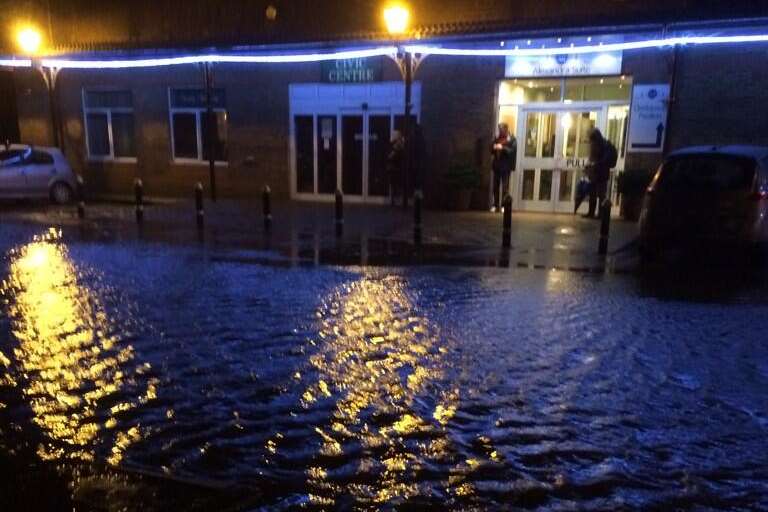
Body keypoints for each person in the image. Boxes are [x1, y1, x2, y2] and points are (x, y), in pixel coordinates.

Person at [584, 128, 617, 219]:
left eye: (592, 141)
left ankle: (601, 214)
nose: (591, 143)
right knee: (593, 193)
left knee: (601, 194)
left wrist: (595, 165)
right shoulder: (597, 144)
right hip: (595, 173)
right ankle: (591, 213)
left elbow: (604, 160)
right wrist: (589, 166)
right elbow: (592, 157)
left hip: (601, 173)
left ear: (596, 139)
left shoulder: (605, 145)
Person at [490, 123, 517, 212]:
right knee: (495, 186)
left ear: (506, 129)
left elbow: (512, 151)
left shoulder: (512, 139)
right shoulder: (497, 138)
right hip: (497, 166)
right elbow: (491, 149)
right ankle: (495, 205)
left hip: (506, 166)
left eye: (501, 129)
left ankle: (504, 206)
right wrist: (494, 147)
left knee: (505, 187)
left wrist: (503, 147)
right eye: (499, 129)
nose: (500, 131)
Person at [387, 130, 404, 206]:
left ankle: (396, 200)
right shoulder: (398, 145)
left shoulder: (398, 145)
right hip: (395, 168)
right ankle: (394, 200)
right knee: (394, 184)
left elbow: (392, 156)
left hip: (396, 168)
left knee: (395, 184)